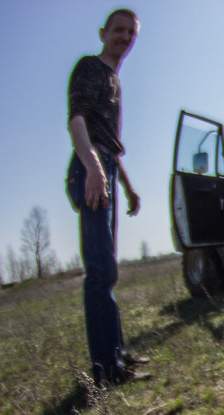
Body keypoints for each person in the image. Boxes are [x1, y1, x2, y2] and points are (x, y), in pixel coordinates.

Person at [66, 8, 149, 387]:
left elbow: (112, 144)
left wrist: (126, 185)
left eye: (131, 32)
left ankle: (117, 355)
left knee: (108, 269)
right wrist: (95, 171)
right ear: (103, 32)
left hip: (104, 168)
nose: (125, 37)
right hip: (89, 169)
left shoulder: (115, 80)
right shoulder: (90, 68)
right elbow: (77, 121)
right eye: (119, 30)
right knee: (100, 272)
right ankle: (104, 369)